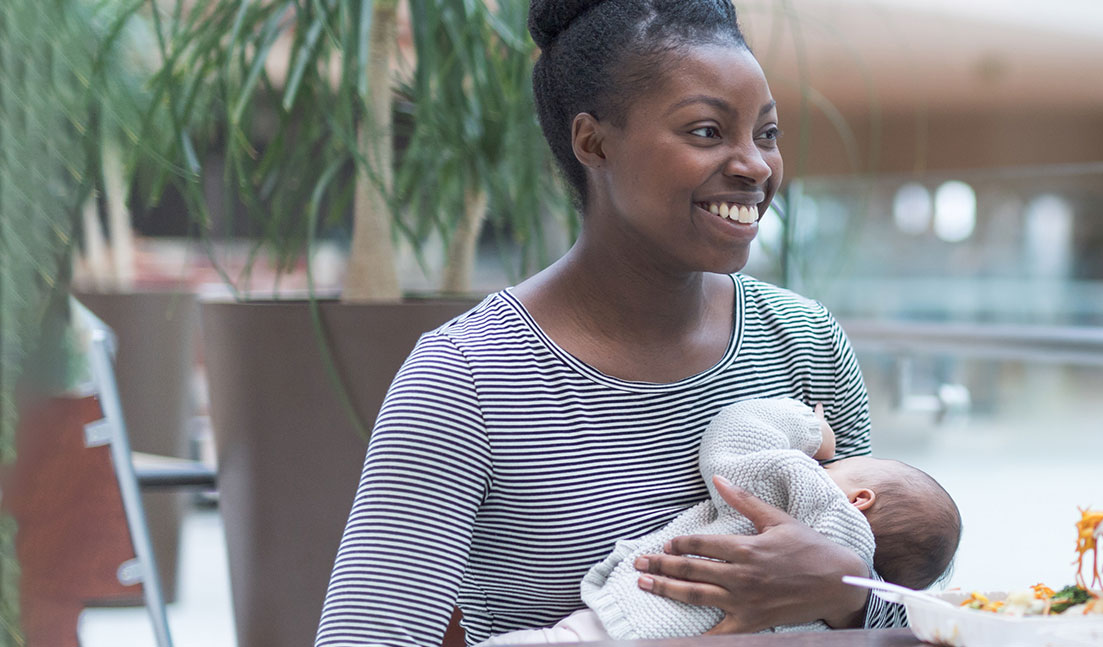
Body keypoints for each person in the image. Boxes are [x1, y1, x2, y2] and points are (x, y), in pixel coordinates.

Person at [314, 1, 908, 643]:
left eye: (766, 134)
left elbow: (920, 588)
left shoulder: (804, 341)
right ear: (593, 142)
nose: (756, 166)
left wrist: (843, 594)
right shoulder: (466, 378)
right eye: (707, 131)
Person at [478, 398, 961, 644]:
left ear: (859, 499)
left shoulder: (808, 490)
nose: (824, 468)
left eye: (835, 468)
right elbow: (903, 608)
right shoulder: (854, 577)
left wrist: (813, 432)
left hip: (636, 624)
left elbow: (734, 437)